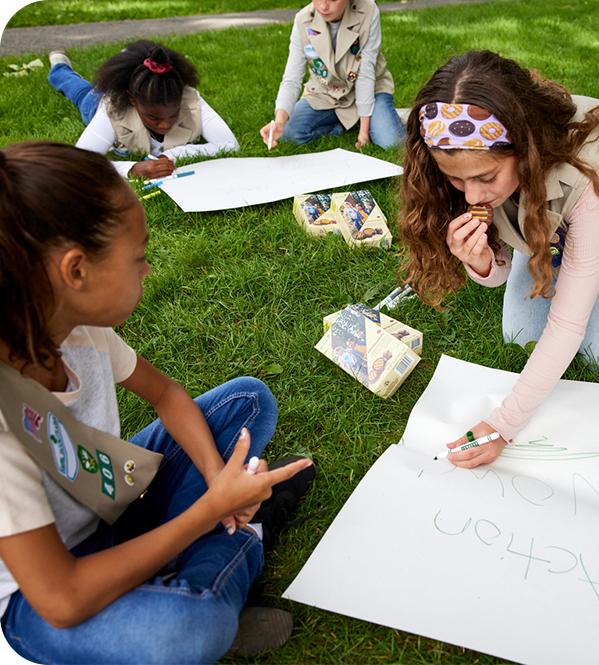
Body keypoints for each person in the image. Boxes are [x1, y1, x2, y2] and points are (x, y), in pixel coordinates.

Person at [0, 142, 316, 663]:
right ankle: (242, 540)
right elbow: (62, 598)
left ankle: (205, 542)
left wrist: (218, 479)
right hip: (37, 600)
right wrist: (212, 509)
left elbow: (167, 394)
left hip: (110, 499)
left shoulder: (73, 326)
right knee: (184, 634)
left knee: (246, 401)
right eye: (139, 257)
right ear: (75, 271)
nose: (147, 270)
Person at [398, 50, 599, 468]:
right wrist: (478, 261)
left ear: (524, 147)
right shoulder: (477, 169)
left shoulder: (594, 165)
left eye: (485, 178)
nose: (472, 196)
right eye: (456, 179)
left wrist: (504, 423)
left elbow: (568, 324)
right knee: (520, 335)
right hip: (548, 227)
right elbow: (494, 276)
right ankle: (570, 260)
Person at [47, 40, 239, 180]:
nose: (164, 124)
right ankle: (59, 67)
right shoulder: (112, 109)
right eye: (153, 117)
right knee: (79, 91)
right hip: (97, 102)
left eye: (173, 115)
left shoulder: (191, 100)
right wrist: (132, 168)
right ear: (132, 99)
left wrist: (173, 155)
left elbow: (230, 145)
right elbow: (80, 162)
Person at [260, 0, 404, 150]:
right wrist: (279, 122)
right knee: (289, 133)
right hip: (325, 92)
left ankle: (369, 119)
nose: (323, 6)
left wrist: (363, 133)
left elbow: (365, 75)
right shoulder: (303, 21)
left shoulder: (367, 11)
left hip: (371, 90)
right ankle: (344, 124)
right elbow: (291, 79)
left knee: (391, 142)